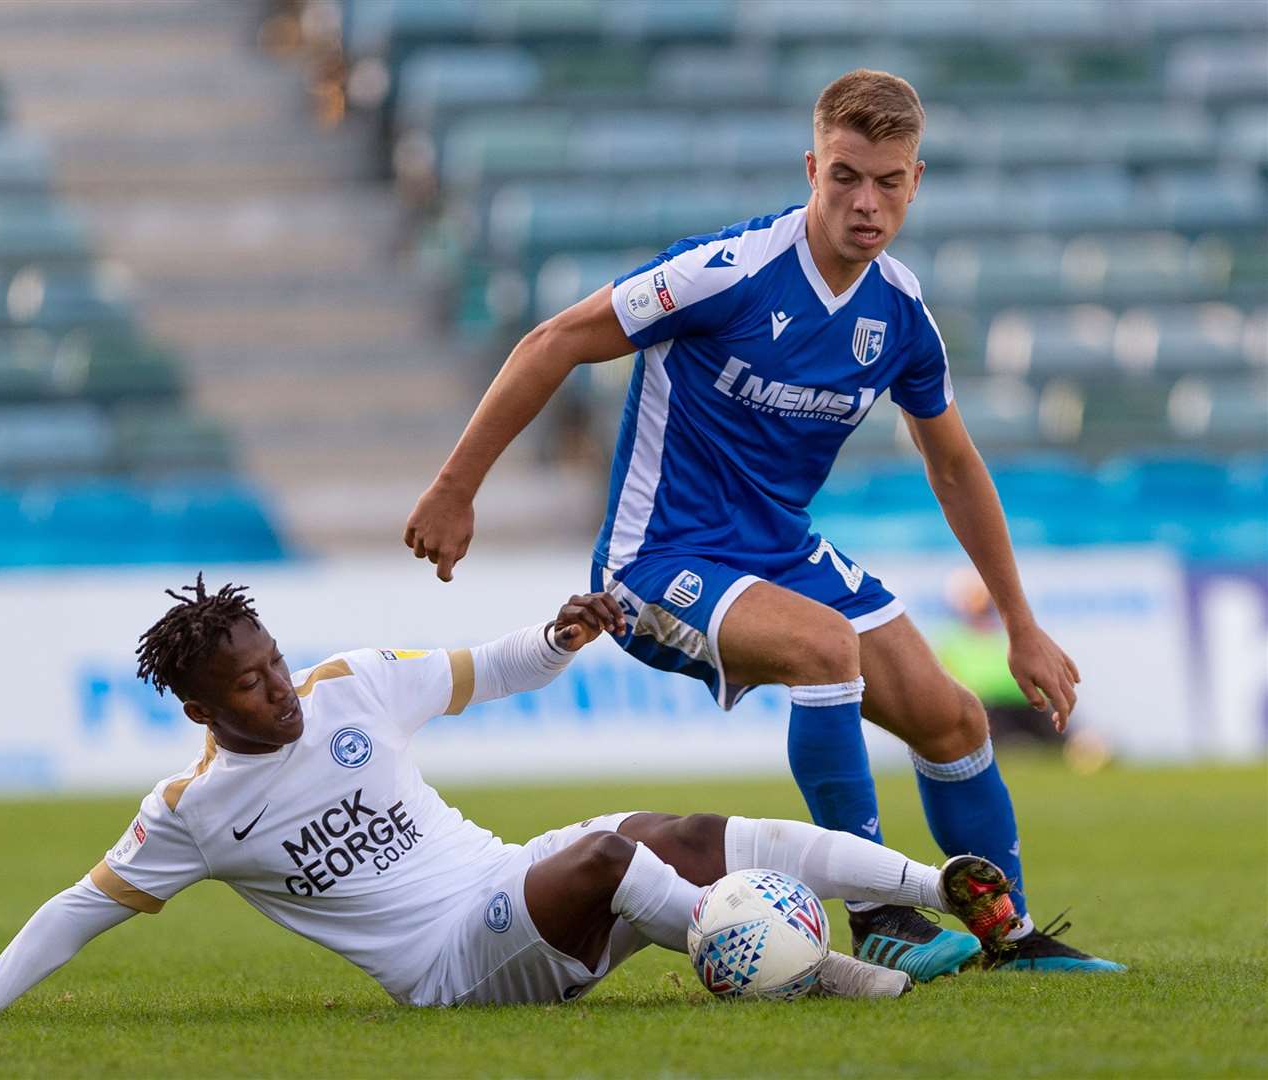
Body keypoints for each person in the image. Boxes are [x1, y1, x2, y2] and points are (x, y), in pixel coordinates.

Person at [403, 68, 1122, 975]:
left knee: (952, 721)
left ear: (915, 182)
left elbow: (953, 464)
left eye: (888, 182)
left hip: (780, 549)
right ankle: (879, 915)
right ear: (810, 168)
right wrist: (454, 488)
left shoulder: (897, 313)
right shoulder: (727, 273)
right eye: (845, 177)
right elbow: (552, 341)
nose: (866, 203)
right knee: (828, 650)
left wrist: (1021, 626)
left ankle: (1006, 941)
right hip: (657, 558)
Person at [0, 576, 1023, 1021]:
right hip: (449, 966)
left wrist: (555, 638)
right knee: (604, 858)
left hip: (502, 880)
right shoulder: (194, 810)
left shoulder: (347, 685)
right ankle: (807, 969)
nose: (278, 692)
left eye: (273, 663)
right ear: (199, 710)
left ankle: (938, 888)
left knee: (667, 829)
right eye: (249, 688)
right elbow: (78, 908)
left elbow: (493, 667)